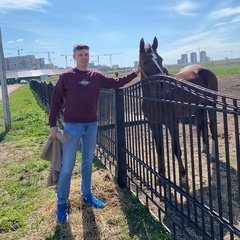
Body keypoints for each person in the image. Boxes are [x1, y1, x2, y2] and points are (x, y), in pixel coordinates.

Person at [49, 43, 141, 223]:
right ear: (74, 57)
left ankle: (87, 195)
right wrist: (52, 124)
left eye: (86, 54)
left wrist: (135, 72)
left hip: (91, 125)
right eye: (81, 54)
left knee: (87, 162)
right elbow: (56, 100)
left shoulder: (95, 76)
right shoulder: (66, 77)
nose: (84, 57)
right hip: (72, 127)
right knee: (67, 166)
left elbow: (116, 83)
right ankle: (61, 203)